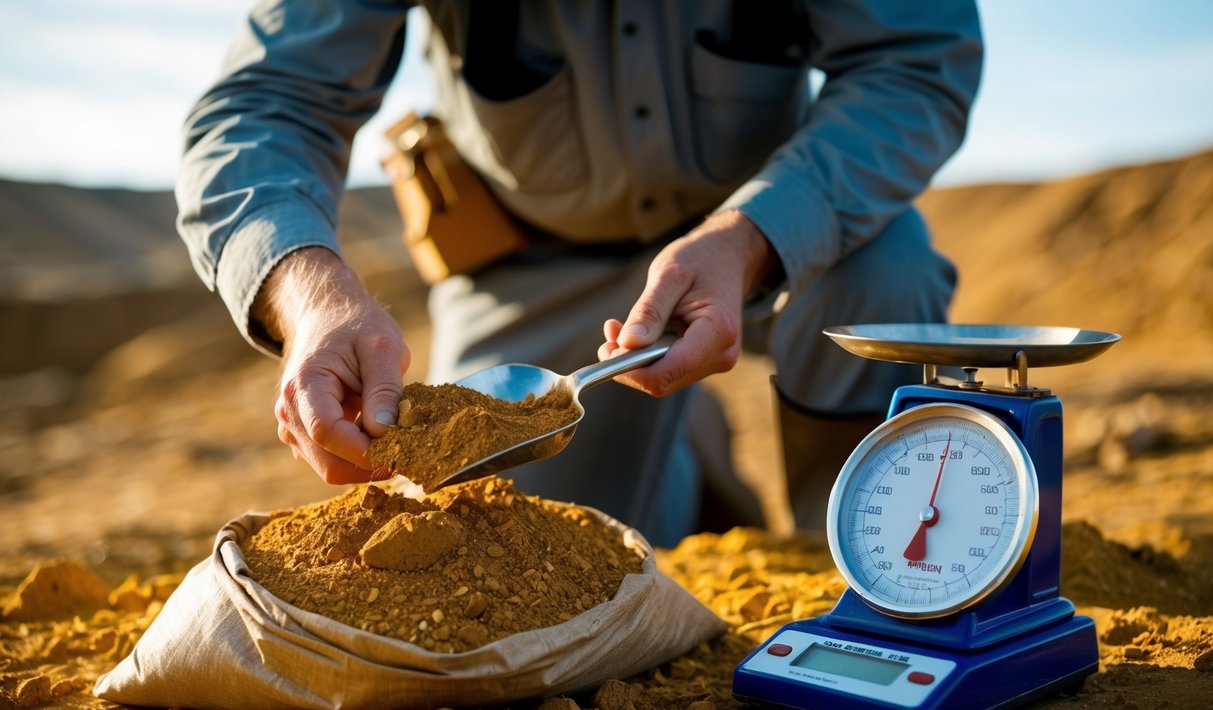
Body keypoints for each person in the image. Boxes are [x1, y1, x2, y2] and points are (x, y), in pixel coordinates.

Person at [177, 1, 983, 546]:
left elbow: (913, 65)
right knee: (504, 547)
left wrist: (749, 238)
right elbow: (266, 101)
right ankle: (686, 458)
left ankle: (877, 580)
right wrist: (308, 296)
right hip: (534, 266)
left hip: (771, 236)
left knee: (889, 272)